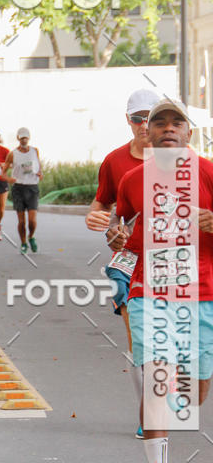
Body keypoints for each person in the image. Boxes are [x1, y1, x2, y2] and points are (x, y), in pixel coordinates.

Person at [110, 98, 213, 463]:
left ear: (189, 132)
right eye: (159, 122)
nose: (168, 128)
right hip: (148, 291)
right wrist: (116, 238)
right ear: (147, 133)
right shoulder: (133, 179)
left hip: (201, 294)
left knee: (193, 394)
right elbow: (124, 232)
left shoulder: (208, 171)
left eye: (177, 122)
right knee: (158, 381)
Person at [85, 88, 160, 437]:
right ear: (128, 121)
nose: (144, 125)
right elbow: (101, 207)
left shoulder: (182, 159)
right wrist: (97, 221)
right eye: (137, 119)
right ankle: (148, 415)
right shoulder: (114, 162)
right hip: (128, 260)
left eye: (151, 118)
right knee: (138, 337)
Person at [5, 127, 42, 253]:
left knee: (32, 220)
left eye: (26, 138)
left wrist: (40, 173)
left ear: (29, 138)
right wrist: (9, 179)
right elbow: (3, 172)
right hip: (19, 187)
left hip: (32, 187)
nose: (24, 140)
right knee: (21, 220)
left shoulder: (35, 151)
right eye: (22, 138)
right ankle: (23, 243)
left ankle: (31, 237)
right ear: (18, 139)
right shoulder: (12, 154)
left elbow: (38, 166)